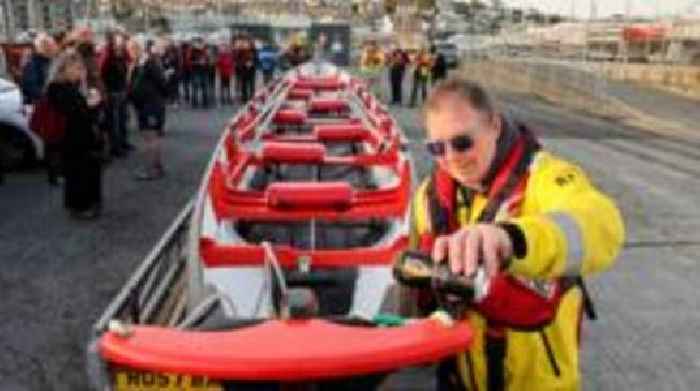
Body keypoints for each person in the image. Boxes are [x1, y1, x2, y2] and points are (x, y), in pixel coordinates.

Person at [406, 78, 624, 390]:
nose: (452, 157)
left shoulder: (546, 177)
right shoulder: (428, 197)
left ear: (494, 126)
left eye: (463, 142)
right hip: (458, 377)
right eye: (437, 148)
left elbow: (602, 223)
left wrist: (513, 240)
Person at [46, 50, 103, 219]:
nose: (80, 72)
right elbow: (76, 114)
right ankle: (80, 207)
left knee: (84, 171)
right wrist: (92, 104)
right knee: (78, 174)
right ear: (65, 69)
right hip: (73, 139)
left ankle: (85, 204)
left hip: (80, 137)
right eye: (77, 69)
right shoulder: (57, 88)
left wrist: (90, 102)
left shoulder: (69, 86)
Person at [130, 39, 169, 180]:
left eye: (133, 49)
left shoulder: (150, 63)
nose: (131, 53)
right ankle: (156, 167)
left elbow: (162, 83)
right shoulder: (140, 64)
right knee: (150, 137)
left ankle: (153, 169)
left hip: (151, 106)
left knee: (151, 137)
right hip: (145, 105)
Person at [100, 31, 131, 158]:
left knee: (123, 119)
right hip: (112, 91)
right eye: (118, 41)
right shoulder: (107, 56)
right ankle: (115, 147)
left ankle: (123, 143)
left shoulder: (123, 55)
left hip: (121, 90)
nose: (121, 44)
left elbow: (129, 64)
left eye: (122, 41)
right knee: (114, 121)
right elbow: (101, 73)